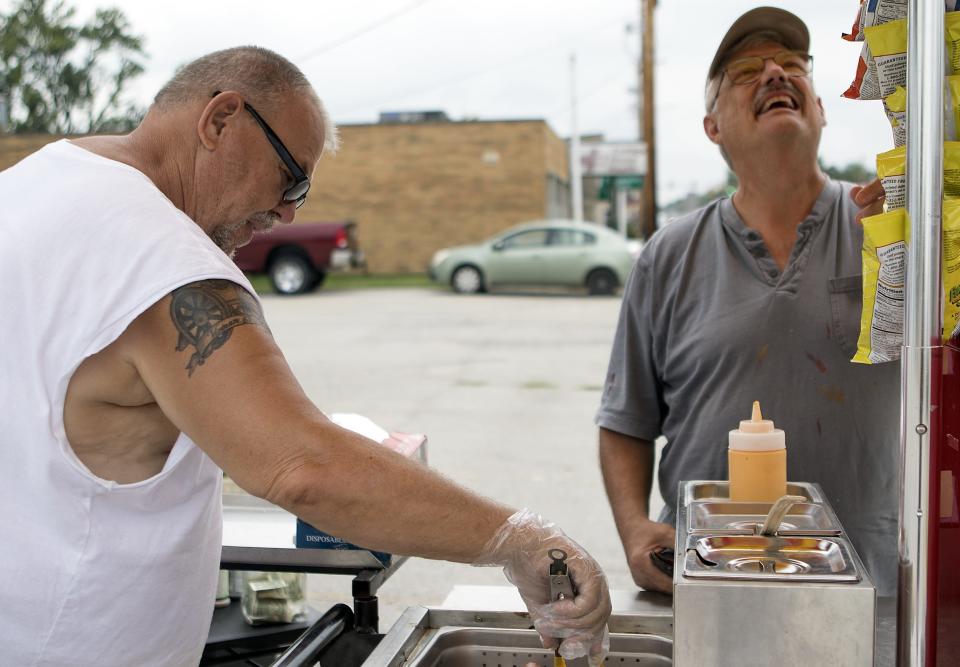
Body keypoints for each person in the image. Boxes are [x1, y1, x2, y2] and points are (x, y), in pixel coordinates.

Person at [0, 46, 610, 666]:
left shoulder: (30, 187)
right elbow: (303, 466)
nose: (288, 210)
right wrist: (522, 541)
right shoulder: (166, 264)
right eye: (292, 177)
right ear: (221, 120)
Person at [596, 7, 898, 597]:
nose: (776, 75)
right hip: (710, 578)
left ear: (821, 108)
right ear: (713, 127)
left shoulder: (884, 230)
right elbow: (625, 421)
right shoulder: (668, 256)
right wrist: (635, 530)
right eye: (745, 72)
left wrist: (918, 250)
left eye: (792, 66)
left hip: (873, 584)